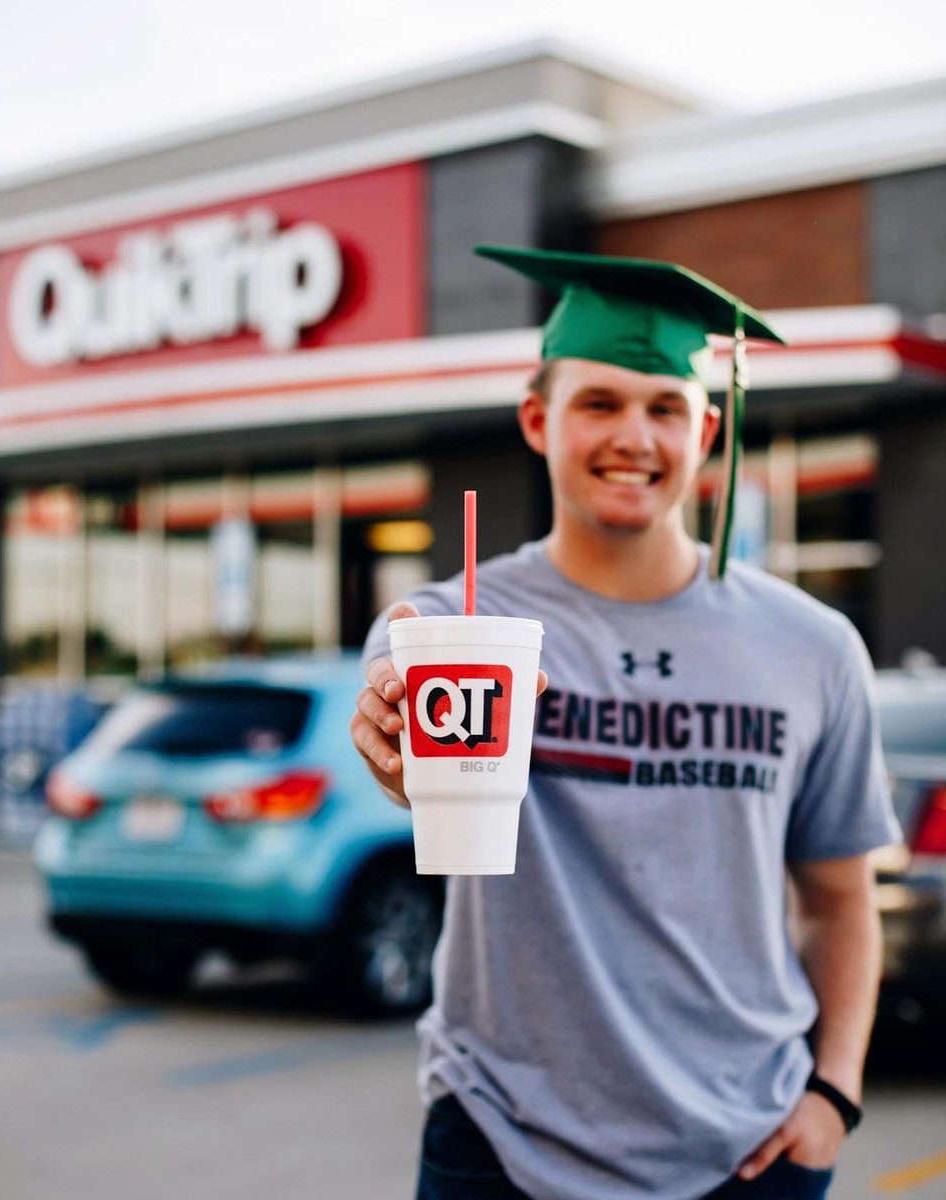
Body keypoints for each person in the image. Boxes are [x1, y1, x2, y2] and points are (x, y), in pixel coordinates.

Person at [351, 246, 900, 1200]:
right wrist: (400, 733)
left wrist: (835, 1096)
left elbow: (841, 898)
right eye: (598, 403)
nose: (633, 437)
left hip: (751, 1149)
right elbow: (404, 692)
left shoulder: (814, 648)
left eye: (664, 408)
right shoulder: (458, 626)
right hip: (501, 1142)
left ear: (709, 430)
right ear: (538, 420)